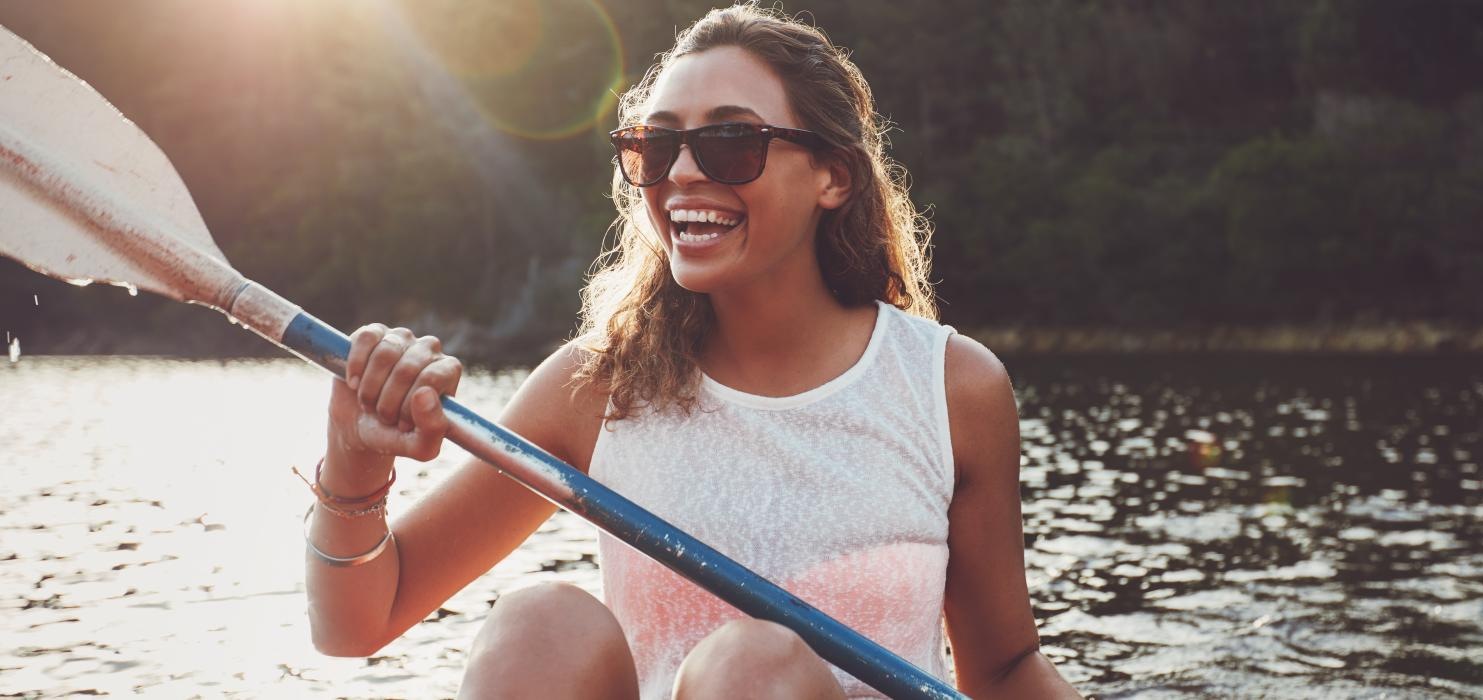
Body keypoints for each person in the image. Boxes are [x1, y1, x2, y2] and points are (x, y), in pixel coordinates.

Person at [299, 5, 1080, 699]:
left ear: (833, 176)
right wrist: (354, 459)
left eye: (730, 142)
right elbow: (356, 625)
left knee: (755, 667)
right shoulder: (595, 386)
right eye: (657, 144)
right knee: (542, 622)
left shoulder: (949, 387)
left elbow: (1006, 671)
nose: (680, 175)